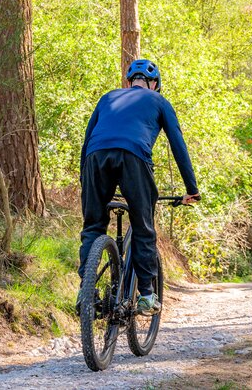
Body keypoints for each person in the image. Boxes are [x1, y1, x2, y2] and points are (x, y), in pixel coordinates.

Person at [78, 59, 200, 315]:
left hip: (95, 158)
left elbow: (87, 141)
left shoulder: (107, 98)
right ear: (154, 85)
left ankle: (84, 291)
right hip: (134, 157)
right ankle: (146, 294)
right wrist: (192, 188)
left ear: (129, 82)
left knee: (93, 225)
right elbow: (178, 145)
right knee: (143, 225)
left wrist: (85, 182)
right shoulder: (159, 101)